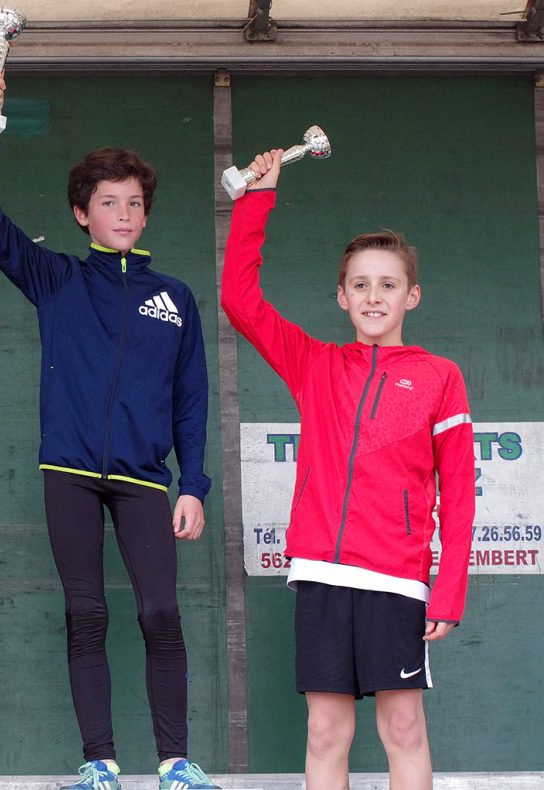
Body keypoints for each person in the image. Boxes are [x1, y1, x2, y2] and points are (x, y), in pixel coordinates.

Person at [0, 67, 217, 790]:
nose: (123, 213)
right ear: (82, 214)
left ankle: (175, 762)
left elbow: (191, 398)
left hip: (145, 479)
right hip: (69, 473)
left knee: (160, 612)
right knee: (86, 612)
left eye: (134, 202)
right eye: (108, 202)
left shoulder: (175, 298)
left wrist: (193, 484)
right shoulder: (57, 280)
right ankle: (99, 761)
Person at [221, 150, 475, 790]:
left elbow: (460, 497)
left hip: (397, 579)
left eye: (388, 284)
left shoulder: (441, 377)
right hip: (321, 574)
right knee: (325, 732)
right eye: (360, 285)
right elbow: (239, 300)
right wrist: (257, 199)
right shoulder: (315, 365)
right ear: (341, 297)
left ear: (412, 296)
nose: (373, 296)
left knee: (404, 729)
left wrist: (448, 590)